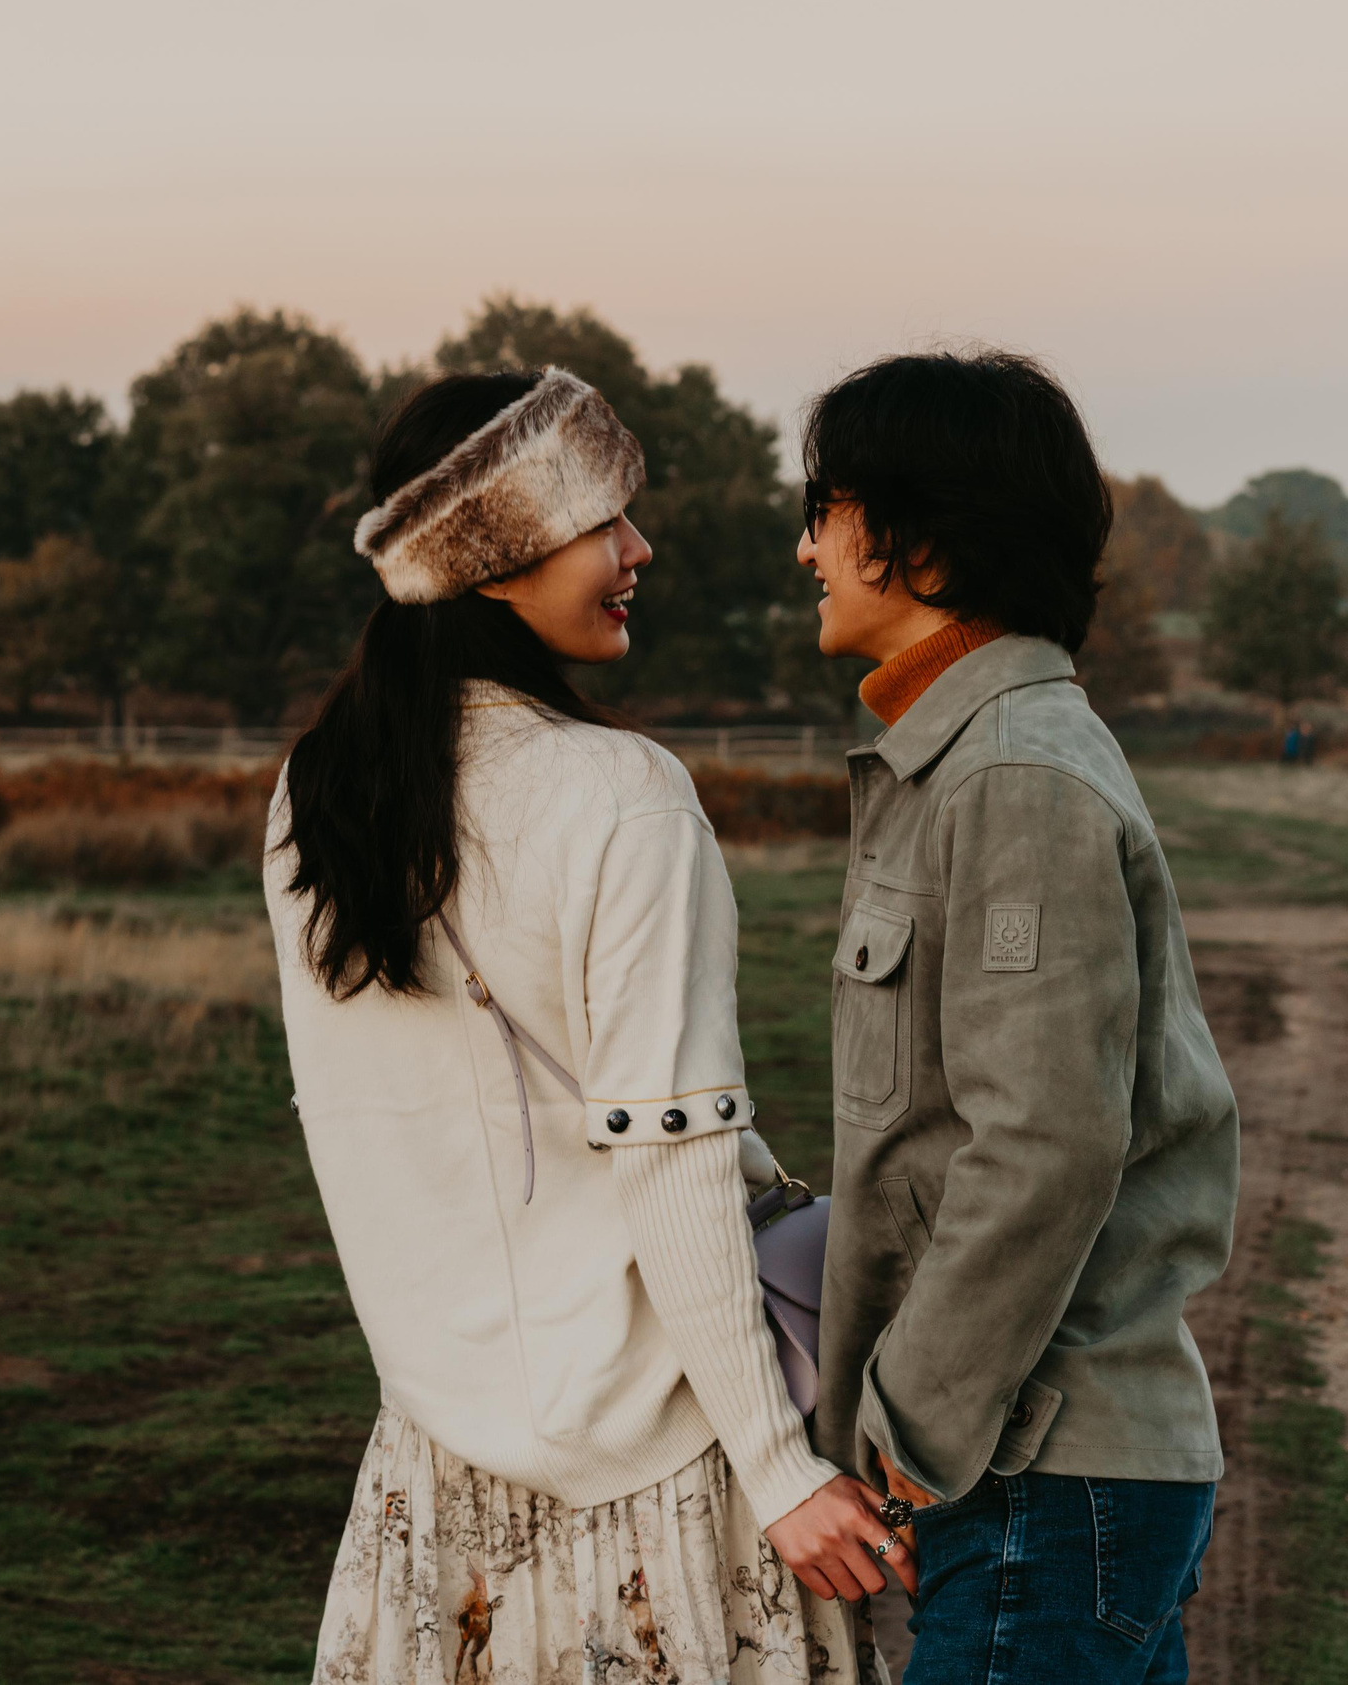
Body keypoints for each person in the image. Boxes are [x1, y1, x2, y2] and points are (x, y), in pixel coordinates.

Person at [268, 368, 899, 1684]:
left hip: (435, 1470)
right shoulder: (624, 797)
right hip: (663, 1460)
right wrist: (782, 1469)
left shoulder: (314, 802)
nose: (638, 552)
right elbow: (668, 1158)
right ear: (494, 557)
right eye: (603, 521)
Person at [793, 351, 1240, 1683]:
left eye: (827, 507)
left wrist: (908, 1447)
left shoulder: (1013, 778)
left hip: (1042, 1472)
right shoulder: (967, 763)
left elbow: (1042, 1147)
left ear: (919, 542)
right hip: (1038, 1464)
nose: (805, 545)